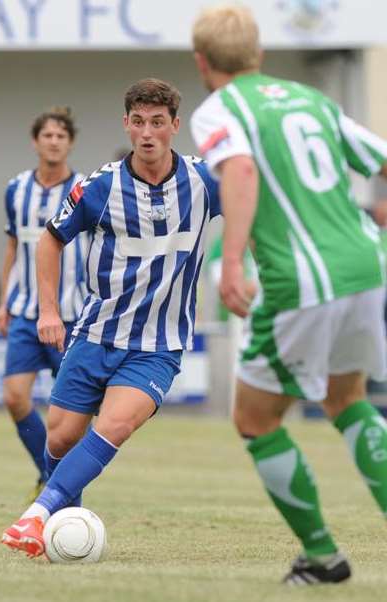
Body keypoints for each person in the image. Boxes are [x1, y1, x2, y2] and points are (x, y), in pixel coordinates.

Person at [190, 4, 387, 586]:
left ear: (201, 62)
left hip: (301, 279)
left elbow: (241, 173)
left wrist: (229, 266)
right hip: (365, 266)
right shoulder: (313, 100)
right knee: (347, 397)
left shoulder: (219, 109)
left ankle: (323, 558)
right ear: (260, 55)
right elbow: (379, 159)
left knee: (255, 418)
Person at [1, 78, 221, 557]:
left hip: (158, 347)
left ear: (174, 127)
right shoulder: (98, 187)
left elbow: (250, 199)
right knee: (59, 439)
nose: (147, 133)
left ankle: (36, 517)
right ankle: (62, 523)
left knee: (115, 427)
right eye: (138, 122)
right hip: (96, 334)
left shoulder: (205, 181)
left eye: (158, 123)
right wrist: (50, 311)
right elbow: (50, 239)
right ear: (127, 123)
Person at [0, 107, 87, 501]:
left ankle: (62, 487)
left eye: (60, 135)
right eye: (46, 135)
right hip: (25, 314)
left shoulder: (87, 187)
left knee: (68, 416)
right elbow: (12, 247)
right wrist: (3, 303)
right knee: (15, 396)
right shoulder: (17, 189)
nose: (53, 141)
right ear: (35, 142)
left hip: (71, 315)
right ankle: (48, 473)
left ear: (70, 143)